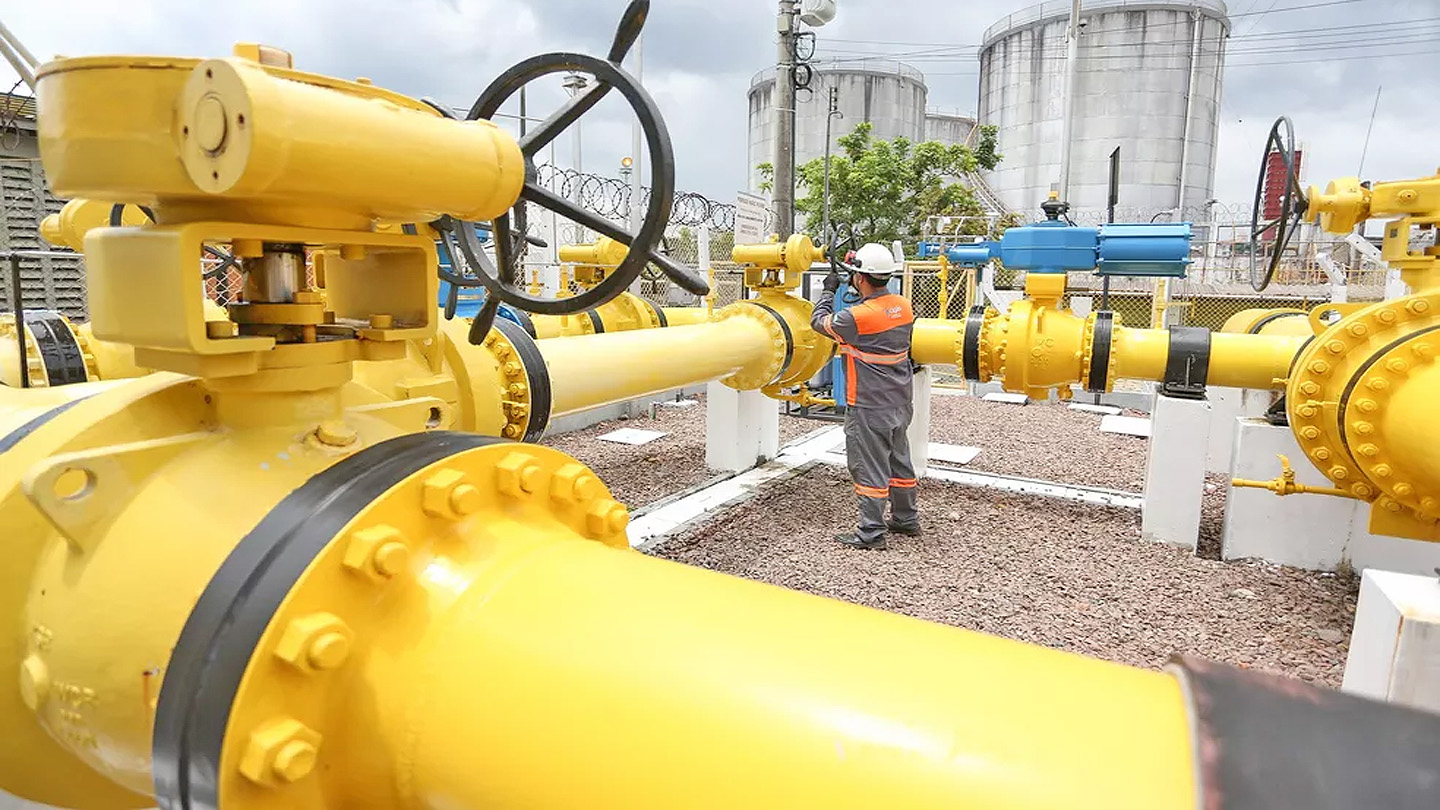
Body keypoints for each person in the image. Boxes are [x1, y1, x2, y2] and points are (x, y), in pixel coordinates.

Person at [811, 242, 919, 550]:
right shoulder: (903, 305)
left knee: (868, 466)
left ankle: (870, 533)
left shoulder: (856, 317)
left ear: (859, 277)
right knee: (899, 461)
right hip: (900, 400)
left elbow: (818, 322)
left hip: (869, 404)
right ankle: (906, 518)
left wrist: (828, 291)